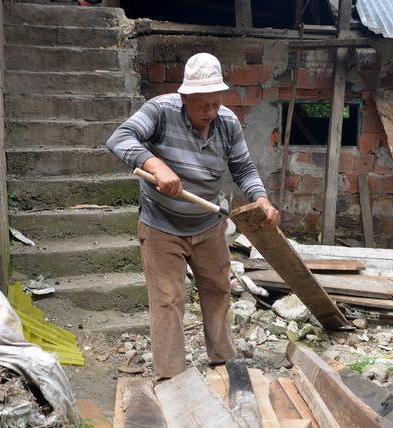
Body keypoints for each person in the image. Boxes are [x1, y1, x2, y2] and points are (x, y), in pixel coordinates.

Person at [107, 53, 279, 380]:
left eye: (215, 103)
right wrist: (155, 166)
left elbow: (243, 168)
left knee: (218, 289)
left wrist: (262, 200)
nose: (210, 112)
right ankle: (172, 377)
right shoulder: (160, 111)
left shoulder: (226, 121)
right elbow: (119, 138)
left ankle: (223, 360)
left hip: (208, 224)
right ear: (185, 97)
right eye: (202, 105)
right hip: (162, 226)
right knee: (169, 299)